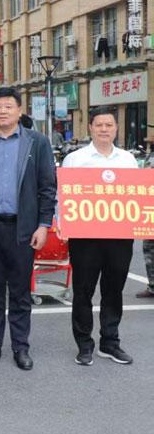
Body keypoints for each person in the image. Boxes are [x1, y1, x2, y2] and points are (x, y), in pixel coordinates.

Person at [0, 87, 56, 371]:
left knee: (20, 292)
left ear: (19, 111)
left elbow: (47, 187)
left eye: (8, 106)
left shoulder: (37, 143)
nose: (3, 111)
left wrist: (44, 225)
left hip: (23, 228)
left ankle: (20, 346)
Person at [61, 107, 137, 366]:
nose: (104, 129)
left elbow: (137, 196)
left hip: (120, 236)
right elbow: (63, 195)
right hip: (85, 237)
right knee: (83, 290)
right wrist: (62, 224)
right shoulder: (75, 159)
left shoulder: (128, 160)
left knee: (114, 290)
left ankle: (110, 342)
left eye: (109, 125)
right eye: (99, 125)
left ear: (116, 128)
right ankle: (84, 344)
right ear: (90, 128)